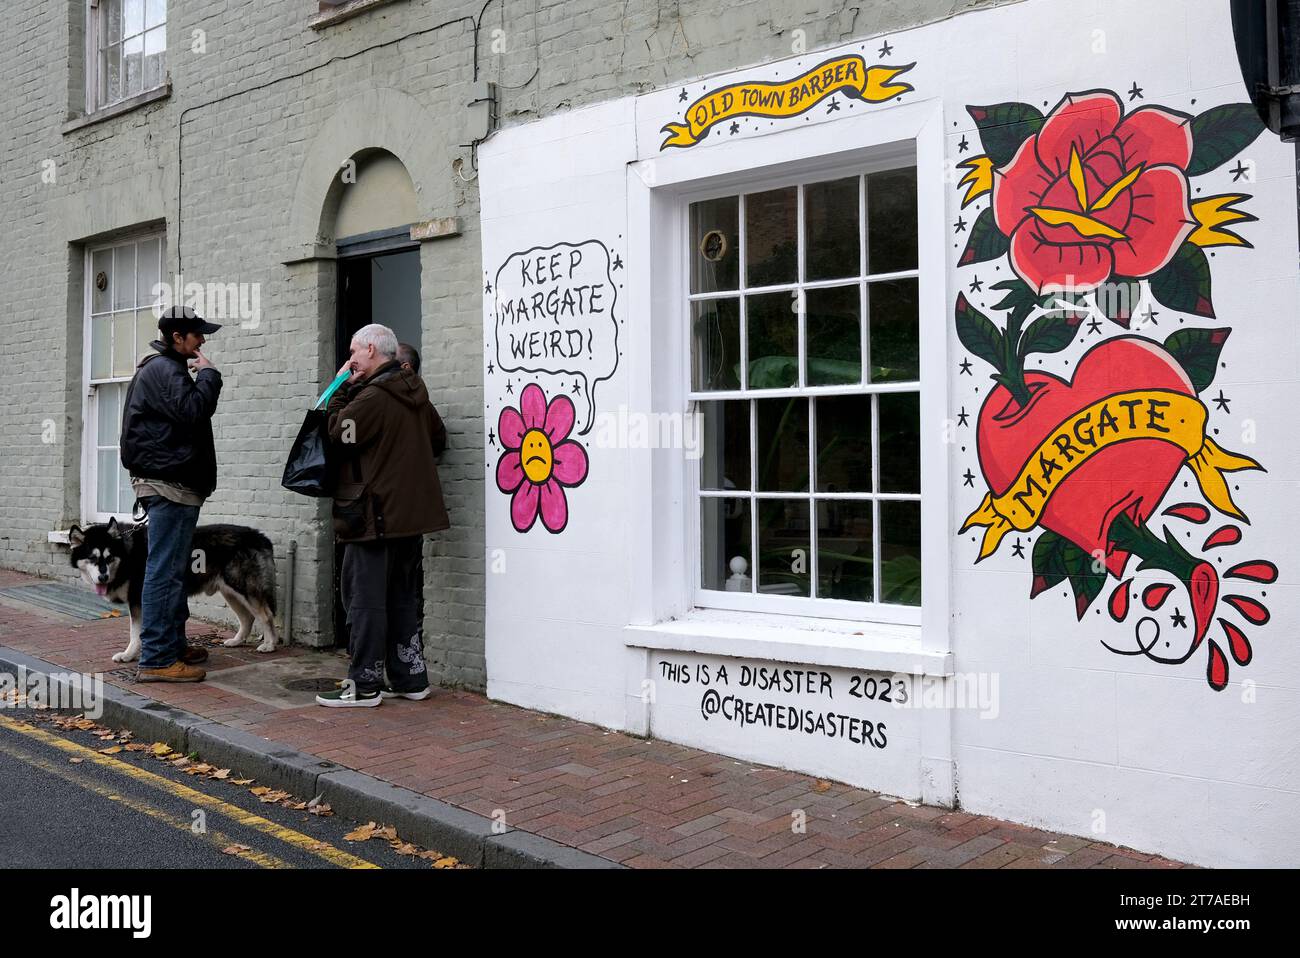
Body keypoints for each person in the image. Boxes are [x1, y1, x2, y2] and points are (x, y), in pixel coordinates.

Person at [317, 324, 449, 707]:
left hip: (374, 516)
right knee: (403, 598)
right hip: (411, 517)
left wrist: (341, 383)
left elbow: (336, 432)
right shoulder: (415, 393)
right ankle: (411, 680)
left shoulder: (374, 396)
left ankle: (365, 686)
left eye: (355, 352)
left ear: (372, 349)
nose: (351, 360)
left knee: (366, 600)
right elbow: (437, 439)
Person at [119, 305, 223, 682]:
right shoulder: (164, 370)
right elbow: (195, 410)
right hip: (168, 486)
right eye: (196, 335)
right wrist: (209, 375)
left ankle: (172, 646)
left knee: (173, 570)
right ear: (177, 338)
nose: (202, 340)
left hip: (171, 483)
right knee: (164, 571)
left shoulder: (165, 368)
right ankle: (159, 659)